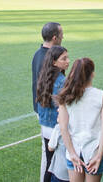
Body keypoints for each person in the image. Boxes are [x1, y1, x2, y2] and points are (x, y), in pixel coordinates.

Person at [56, 58, 103, 182]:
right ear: (92, 74)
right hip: (94, 150)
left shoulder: (65, 96)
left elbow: (63, 127)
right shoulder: (102, 96)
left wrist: (72, 153)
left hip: (73, 150)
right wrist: (99, 155)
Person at [33, 22, 64, 181]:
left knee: (49, 153)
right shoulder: (50, 57)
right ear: (54, 37)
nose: (63, 37)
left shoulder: (38, 54)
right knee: (49, 155)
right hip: (49, 112)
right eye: (61, 34)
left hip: (41, 108)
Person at [37, 46, 70, 182]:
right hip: (56, 129)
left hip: (45, 128)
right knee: (55, 168)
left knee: (49, 165)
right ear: (54, 62)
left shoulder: (44, 76)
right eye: (64, 59)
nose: (68, 61)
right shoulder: (62, 81)